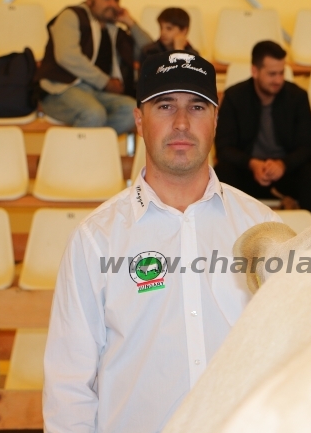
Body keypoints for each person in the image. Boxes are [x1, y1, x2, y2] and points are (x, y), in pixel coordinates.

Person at [43, 50, 280, 433]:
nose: (182, 123)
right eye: (165, 106)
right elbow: (69, 384)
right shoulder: (96, 239)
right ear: (139, 120)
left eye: (197, 107)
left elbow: (287, 356)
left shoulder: (263, 229)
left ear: (216, 120)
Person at [215, 40, 311, 216]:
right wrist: (252, 164)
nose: (278, 80)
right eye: (272, 74)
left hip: (286, 173)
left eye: (281, 73)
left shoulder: (297, 97)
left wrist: (283, 164)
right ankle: (227, 228)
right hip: (248, 172)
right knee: (223, 172)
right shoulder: (234, 97)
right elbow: (224, 148)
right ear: (255, 71)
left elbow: (308, 146)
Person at [35, 0, 152, 132]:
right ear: (89, 0)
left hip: (96, 94)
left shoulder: (115, 32)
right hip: (61, 90)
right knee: (93, 114)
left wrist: (130, 22)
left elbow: (150, 51)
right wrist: (105, 82)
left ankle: (92, 144)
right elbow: (67, 56)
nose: (112, 4)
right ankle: (85, 146)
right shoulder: (71, 15)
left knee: (132, 111)